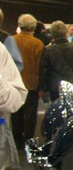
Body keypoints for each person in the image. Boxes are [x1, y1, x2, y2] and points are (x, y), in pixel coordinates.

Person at [11, 14, 44, 149]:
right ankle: (28, 141)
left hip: (14, 83)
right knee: (30, 115)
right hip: (31, 84)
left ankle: (16, 139)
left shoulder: (11, 41)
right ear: (33, 27)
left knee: (16, 113)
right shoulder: (37, 44)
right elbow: (40, 66)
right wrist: (41, 86)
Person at [0, 41, 27, 170]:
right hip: (4, 100)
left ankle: (7, 164)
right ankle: (12, 163)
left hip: (3, 101)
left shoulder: (4, 45)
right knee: (4, 129)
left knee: (2, 128)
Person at [38, 21, 73, 101]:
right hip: (72, 84)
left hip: (55, 87)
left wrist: (42, 89)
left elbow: (43, 70)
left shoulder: (48, 50)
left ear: (52, 34)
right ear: (66, 32)